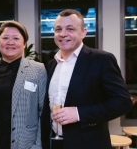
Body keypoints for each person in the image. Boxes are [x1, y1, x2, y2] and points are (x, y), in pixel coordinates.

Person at [41, 9, 133, 149]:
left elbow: (123, 102)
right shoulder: (51, 65)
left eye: (70, 29)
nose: (63, 34)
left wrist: (78, 113)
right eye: (58, 29)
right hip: (55, 143)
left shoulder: (101, 59)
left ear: (83, 32)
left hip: (89, 143)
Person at [0, 21, 47, 149]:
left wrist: (38, 145)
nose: (10, 42)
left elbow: (43, 112)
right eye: (5, 38)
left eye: (16, 38)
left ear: (24, 44)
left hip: (26, 143)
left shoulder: (38, 69)